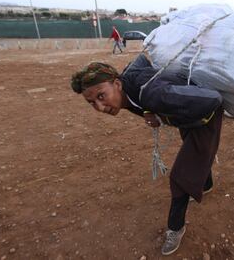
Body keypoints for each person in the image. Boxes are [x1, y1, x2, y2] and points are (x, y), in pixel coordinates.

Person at [71, 54, 224, 255]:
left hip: (204, 118)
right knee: (196, 152)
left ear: (117, 84)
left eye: (101, 96)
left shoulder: (153, 94)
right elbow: (141, 60)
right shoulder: (127, 83)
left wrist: (161, 114)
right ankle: (206, 184)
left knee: (180, 177)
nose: (100, 107)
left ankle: (175, 228)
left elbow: (214, 99)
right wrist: (147, 111)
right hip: (183, 111)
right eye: (92, 102)